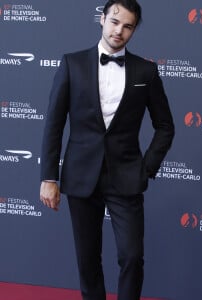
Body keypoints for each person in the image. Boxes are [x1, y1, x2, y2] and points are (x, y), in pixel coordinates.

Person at [39, 0, 174, 299]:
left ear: (134, 30)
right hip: (80, 176)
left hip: (126, 177)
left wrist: (146, 167)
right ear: (102, 19)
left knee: (131, 257)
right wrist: (49, 177)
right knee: (88, 261)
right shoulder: (71, 64)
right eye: (114, 22)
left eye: (127, 26)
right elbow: (54, 124)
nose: (119, 31)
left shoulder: (146, 71)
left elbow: (165, 126)